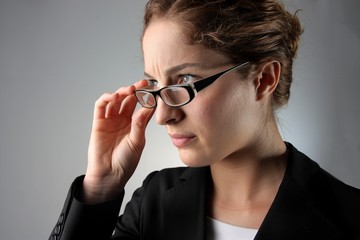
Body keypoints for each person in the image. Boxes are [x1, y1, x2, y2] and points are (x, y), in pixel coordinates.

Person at [49, 0, 360, 239]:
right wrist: (100, 187)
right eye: (155, 85)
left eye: (185, 81)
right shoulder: (153, 201)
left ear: (264, 79)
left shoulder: (348, 216)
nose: (163, 115)